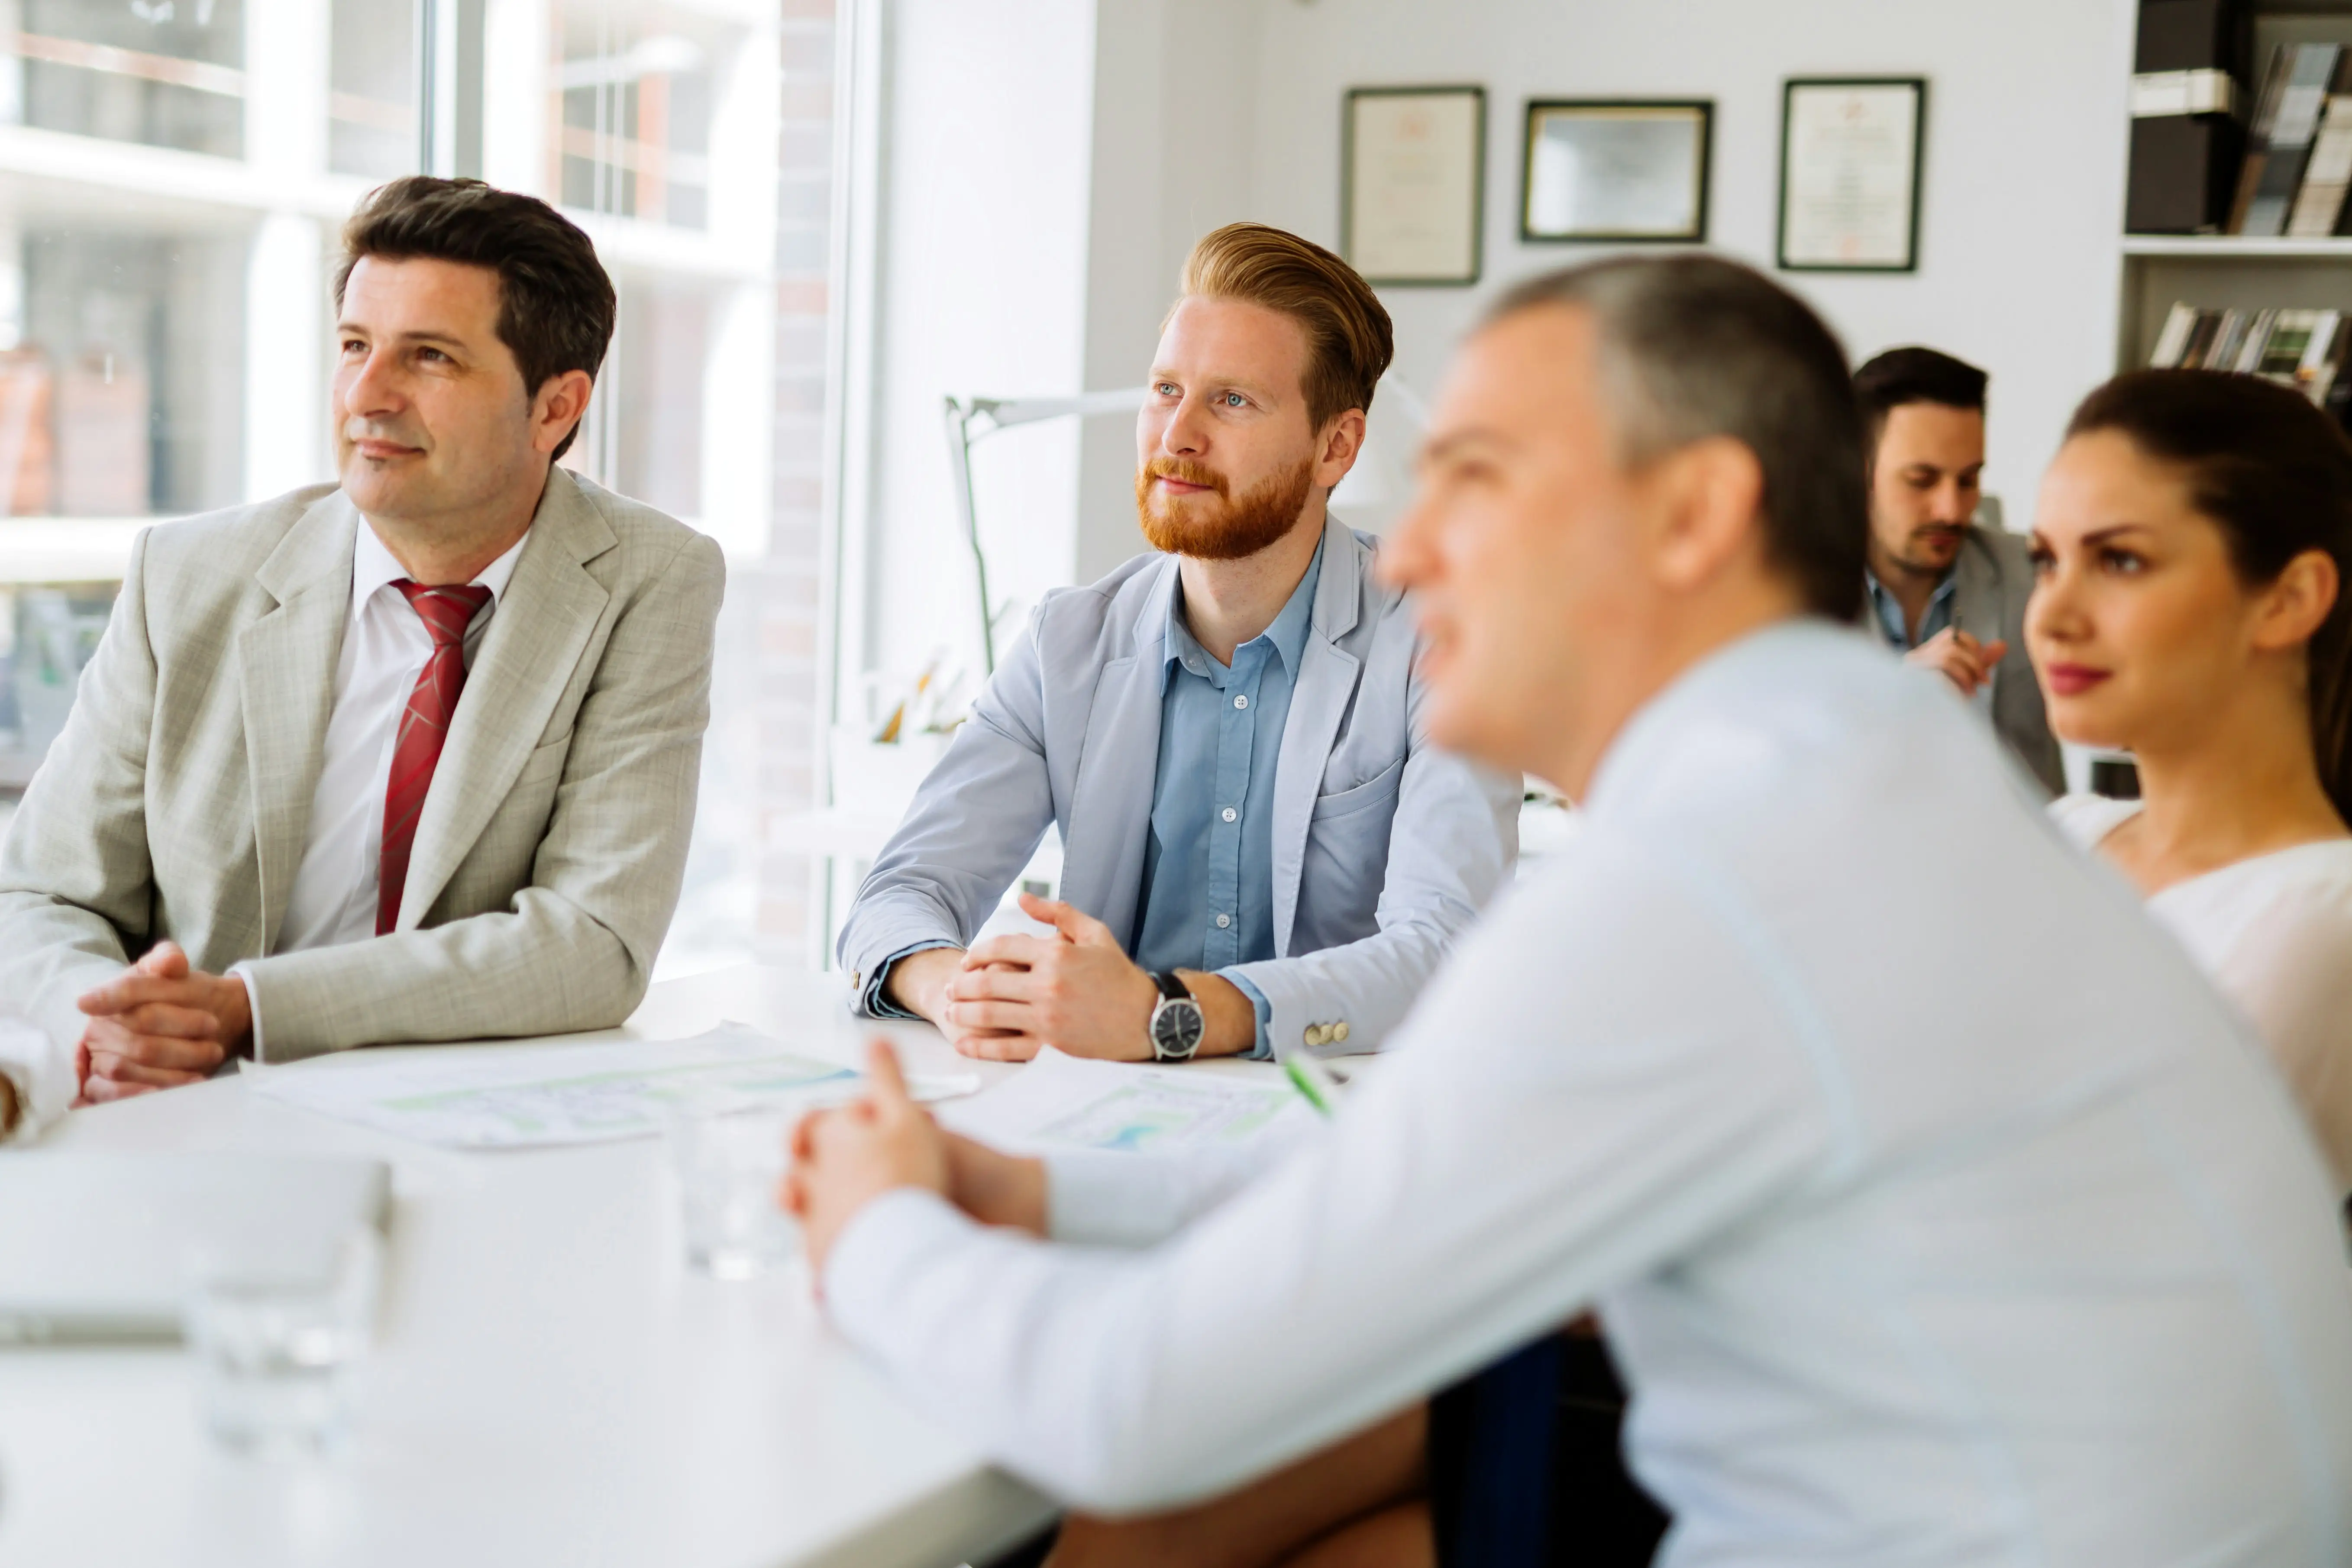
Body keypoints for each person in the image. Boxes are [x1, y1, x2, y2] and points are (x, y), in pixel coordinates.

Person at [787, 255, 2352, 1568]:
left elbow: (1123, 1407)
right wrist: (1026, 1194)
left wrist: (873, 1229)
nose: (1404, 545)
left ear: (1688, 517)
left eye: (1472, 477)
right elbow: (1384, 1166)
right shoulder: (1843, 775)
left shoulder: (1714, 877)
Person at [0, 177, 725, 1139]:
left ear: (555, 408)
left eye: (428, 357)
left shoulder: (652, 578)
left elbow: (593, 941)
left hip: (469, 1135)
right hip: (177, 1116)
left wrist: (251, 1006)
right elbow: (44, 891)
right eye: (353, 346)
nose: (365, 396)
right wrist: (113, 1021)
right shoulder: (189, 574)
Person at [838, 223, 1517, 1065]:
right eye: (1165, 389)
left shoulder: (1441, 639)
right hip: (1110, 1117)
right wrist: (958, 990)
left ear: (1335, 447)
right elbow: (898, 897)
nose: (1177, 437)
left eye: (1232, 401)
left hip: (1341, 1123)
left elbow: (1442, 952)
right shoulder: (1068, 641)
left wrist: (1174, 1014)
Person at [2031, 368, 2352, 1199]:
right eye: (2045, 561)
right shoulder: (2064, 828)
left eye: (2120, 560)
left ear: (2287, 599)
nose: (2052, 615)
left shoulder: (2318, 922)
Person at [1855, 346, 2065, 794]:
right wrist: (1893, 701)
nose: (1952, 511)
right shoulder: (1786, 594)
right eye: (1921, 481)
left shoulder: (2036, 576)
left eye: (1968, 480)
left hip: (2011, 855)